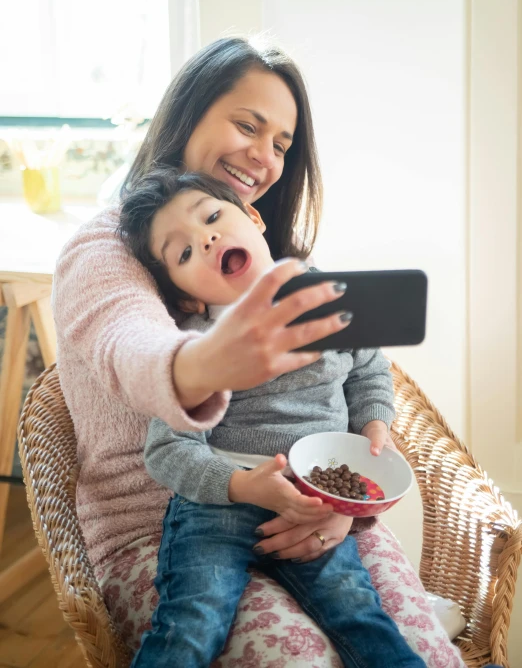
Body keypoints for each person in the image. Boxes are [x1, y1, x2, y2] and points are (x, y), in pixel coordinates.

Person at [52, 36, 466, 666]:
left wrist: (341, 510)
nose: (264, 156)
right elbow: (129, 345)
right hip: (165, 525)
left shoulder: (286, 269)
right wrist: (210, 361)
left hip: (315, 508)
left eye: (281, 143)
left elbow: (364, 377)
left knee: (416, 650)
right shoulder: (115, 249)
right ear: (188, 113)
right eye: (248, 124)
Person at [116, 167, 427, 668]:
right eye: (185, 252)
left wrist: (374, 427)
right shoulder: (196, 348)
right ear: (185, 293)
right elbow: (168, 450)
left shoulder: (326, 301)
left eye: (213, 217)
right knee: (193, 622)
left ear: (255, 219)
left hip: (314, 500)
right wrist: (243, 486)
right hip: (218, 501)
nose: (207, 236)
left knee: (359, 615)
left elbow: (368, 368)